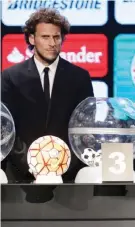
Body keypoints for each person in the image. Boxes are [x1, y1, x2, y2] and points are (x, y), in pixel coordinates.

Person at [1, 8, 94, 202]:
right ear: (32, 39)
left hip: (68, 176)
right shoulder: (10, 77)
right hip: (21, 175)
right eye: (45, 37)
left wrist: (61, 166)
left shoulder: (79, 77)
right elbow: (6, 129)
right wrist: (35, 165)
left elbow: (84, 128)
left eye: (56, 37)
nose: (52, 43)